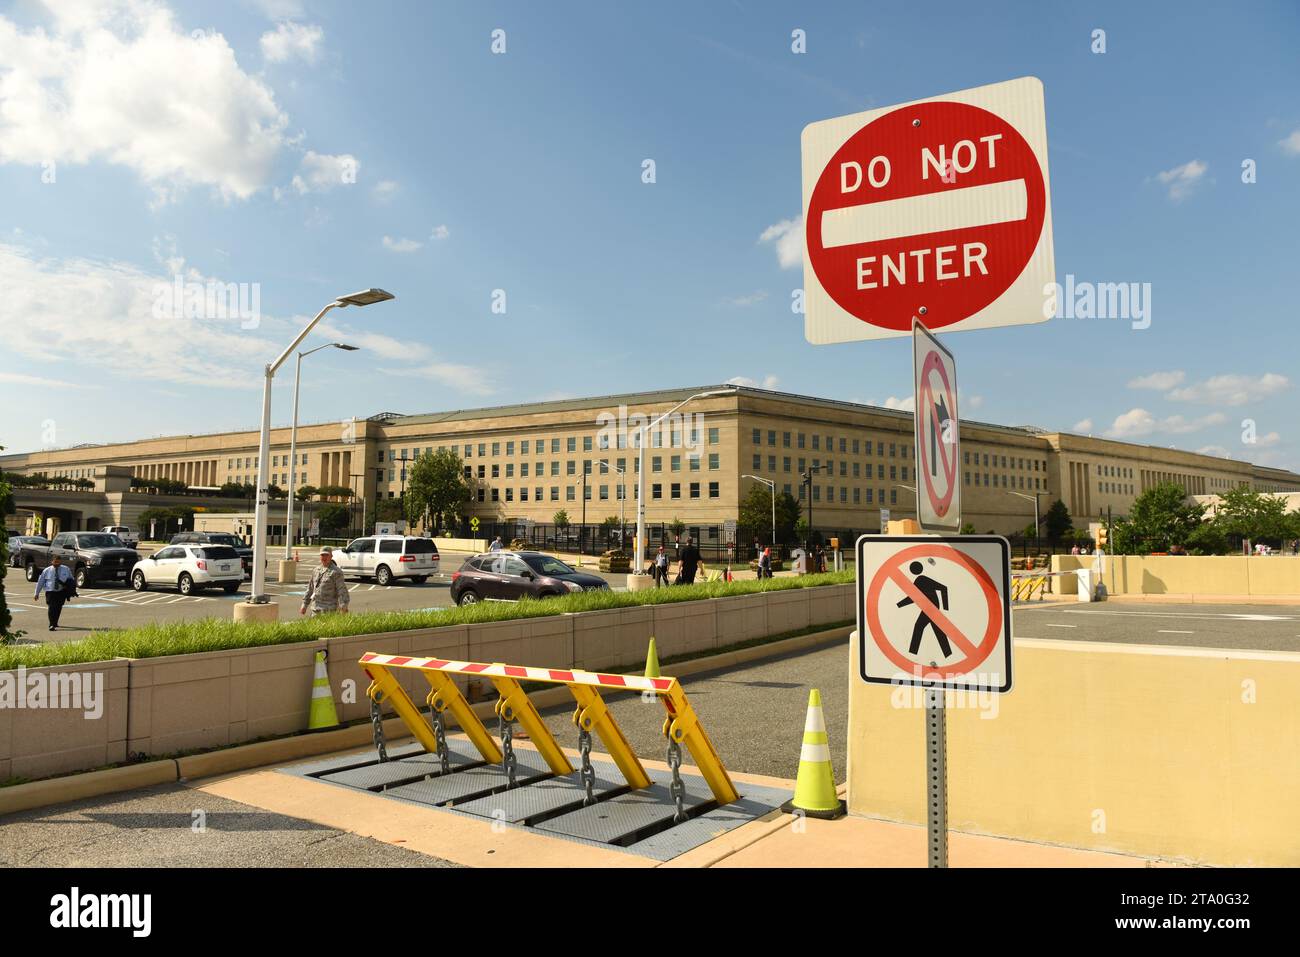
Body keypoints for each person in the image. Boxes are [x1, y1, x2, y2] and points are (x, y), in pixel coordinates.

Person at [300, 546, 350, 617]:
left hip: (329, 611)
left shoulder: (336, 572)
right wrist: (304, 604)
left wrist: (343, 606)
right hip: (315, 610)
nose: (324, 557)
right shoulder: (316, 570)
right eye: (322, 555)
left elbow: (342, 591)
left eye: (327, 555)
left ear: (331, 556)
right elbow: (310, 588)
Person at [34, 553, 75, 631]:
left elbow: (71, 580)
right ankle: (51, 624)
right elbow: (40, 582)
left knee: (58, 607)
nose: (57, 563)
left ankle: (55, 622)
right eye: (55, 562)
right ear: (52, 561)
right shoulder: (47, 570)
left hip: (61, 591)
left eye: (58, 562)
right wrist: (36, 593)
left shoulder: (66, 569)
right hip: (50, 591)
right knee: (51, 607)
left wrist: (72, 590)